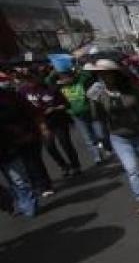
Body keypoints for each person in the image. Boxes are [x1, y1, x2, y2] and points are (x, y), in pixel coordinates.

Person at [86, 59, 139, 214]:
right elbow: (97, 118)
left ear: (115, 74)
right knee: (132, 169)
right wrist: (102, 138)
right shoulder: (98, 93)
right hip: (119, 137)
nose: (104, 77)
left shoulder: (131, 88)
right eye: (101, 74)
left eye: (107, 74)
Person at [18, 69, 82, 177]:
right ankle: (63, 166)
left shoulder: (51, 88)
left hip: (58, 120)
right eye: (27, 79)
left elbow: (66, 104)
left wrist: (54, 108)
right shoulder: (23, 91)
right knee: (49, 147)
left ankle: (76, 166)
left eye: (32, 77)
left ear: (38, 76)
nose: (30, 81)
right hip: (42, 123)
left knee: (65, 143)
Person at [55, 68, 112, 165]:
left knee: (100, 134)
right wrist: (56, 69)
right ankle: (97, 157)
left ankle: (108, 148)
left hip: (91, 112)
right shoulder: (60, 87)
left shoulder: (80, 82)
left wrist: (75, 66)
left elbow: (87, 74)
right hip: (77, 116)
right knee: (88, 138)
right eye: (63, 77)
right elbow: (48, 80)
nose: (66, 79)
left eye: (67, 76)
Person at [0, 87, 42, 216]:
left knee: (19, 180)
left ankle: (27, 203)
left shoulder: (9, 96)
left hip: (6, 148)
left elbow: (28, 112)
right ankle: (7, 198)